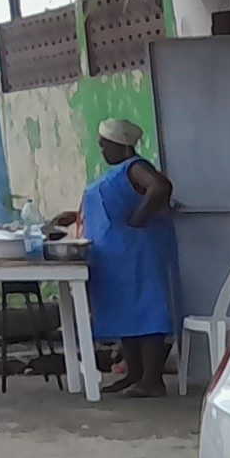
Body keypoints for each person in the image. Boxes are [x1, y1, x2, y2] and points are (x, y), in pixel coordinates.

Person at [49, 116, 180, 396]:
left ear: (121, 146)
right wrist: (75, 215)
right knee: (126, 313)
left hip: (138, 252)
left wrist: (138, 219)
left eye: (105, 145)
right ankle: (134, 374)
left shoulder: (135, 167)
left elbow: (160, 187)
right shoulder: (117, 172)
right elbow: (115, 203)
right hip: (115, 256)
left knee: (147, 313)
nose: (103, 151)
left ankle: (152, 380)